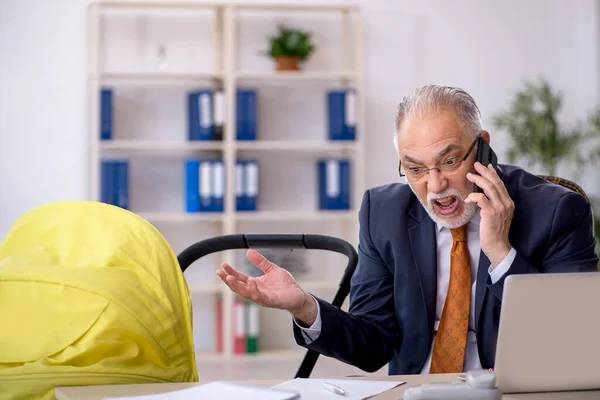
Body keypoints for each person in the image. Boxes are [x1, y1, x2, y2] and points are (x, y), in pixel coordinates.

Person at [216, 85, 599, 375]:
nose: (434, 187)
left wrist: (501, 252)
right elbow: (373, 344)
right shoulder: (384, 213)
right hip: (415, 392)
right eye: (415, 168)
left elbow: (566, 346)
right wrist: (304, 307)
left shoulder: (557, 211)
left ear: (482, 148)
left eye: (448, 161)